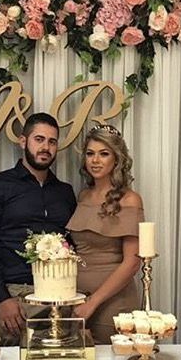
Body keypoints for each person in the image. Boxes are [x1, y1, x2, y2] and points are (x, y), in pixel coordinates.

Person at [0, 112, 77, 343]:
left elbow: (72, 242)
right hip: (17, 297)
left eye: (52, 141)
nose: (46, 147)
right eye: (39, 139)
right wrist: (2, 298)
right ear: (23, 141)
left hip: (60, 294)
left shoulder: (65, 192)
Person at [67, 125, 144, 343]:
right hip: (76, 302)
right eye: (90, 154)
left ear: (117, 159)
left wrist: (93, 302)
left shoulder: (130, 199)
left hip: (113, 304)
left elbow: (132, 263)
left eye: (104, 154)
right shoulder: (83, 196)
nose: (95, 160)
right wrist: (78, 302)